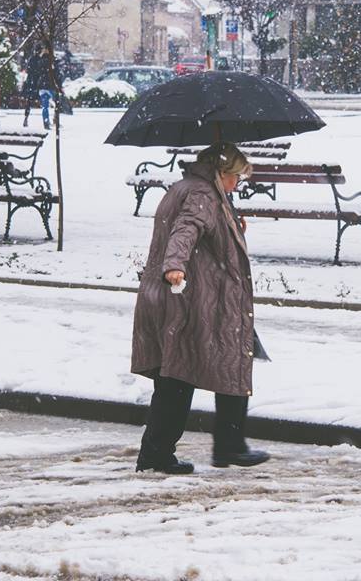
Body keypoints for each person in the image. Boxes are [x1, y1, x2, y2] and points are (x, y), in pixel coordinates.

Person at [131, 142, 269, 475]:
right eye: (235, 178)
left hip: (178, 298)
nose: (237, 185)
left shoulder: (186, 186)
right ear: (222, 173)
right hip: (195, 299)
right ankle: (201, 448)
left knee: (181, 376)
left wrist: (231, 226)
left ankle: (173, 450)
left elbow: (197, 229)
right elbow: (186, 228)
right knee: (192, 373)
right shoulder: (203, 195)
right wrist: (174, 265)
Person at [22, 45, 61, 129]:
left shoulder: (38, 61)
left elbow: (31, 71)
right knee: (57, 102)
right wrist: (59, 85)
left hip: (39, 86)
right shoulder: (52, 60)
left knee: (44, 106)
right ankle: (55, 119)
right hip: (50, 85)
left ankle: (45, 121)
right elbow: (57, 74)